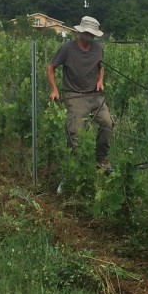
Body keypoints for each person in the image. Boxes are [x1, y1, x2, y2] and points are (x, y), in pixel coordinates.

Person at [46, 16, 114, 183]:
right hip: (74, 95)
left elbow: (100, 67)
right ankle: (74, 170)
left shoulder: (98, 48)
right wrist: (54, 89)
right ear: (80, 32)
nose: (90, 36)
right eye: (87, 33)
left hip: (94, 95)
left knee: (108, 123)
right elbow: (50, 67)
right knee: (75, 133)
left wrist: (100, 81)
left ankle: (101, 159)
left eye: (92, 34)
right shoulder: (67, 49)